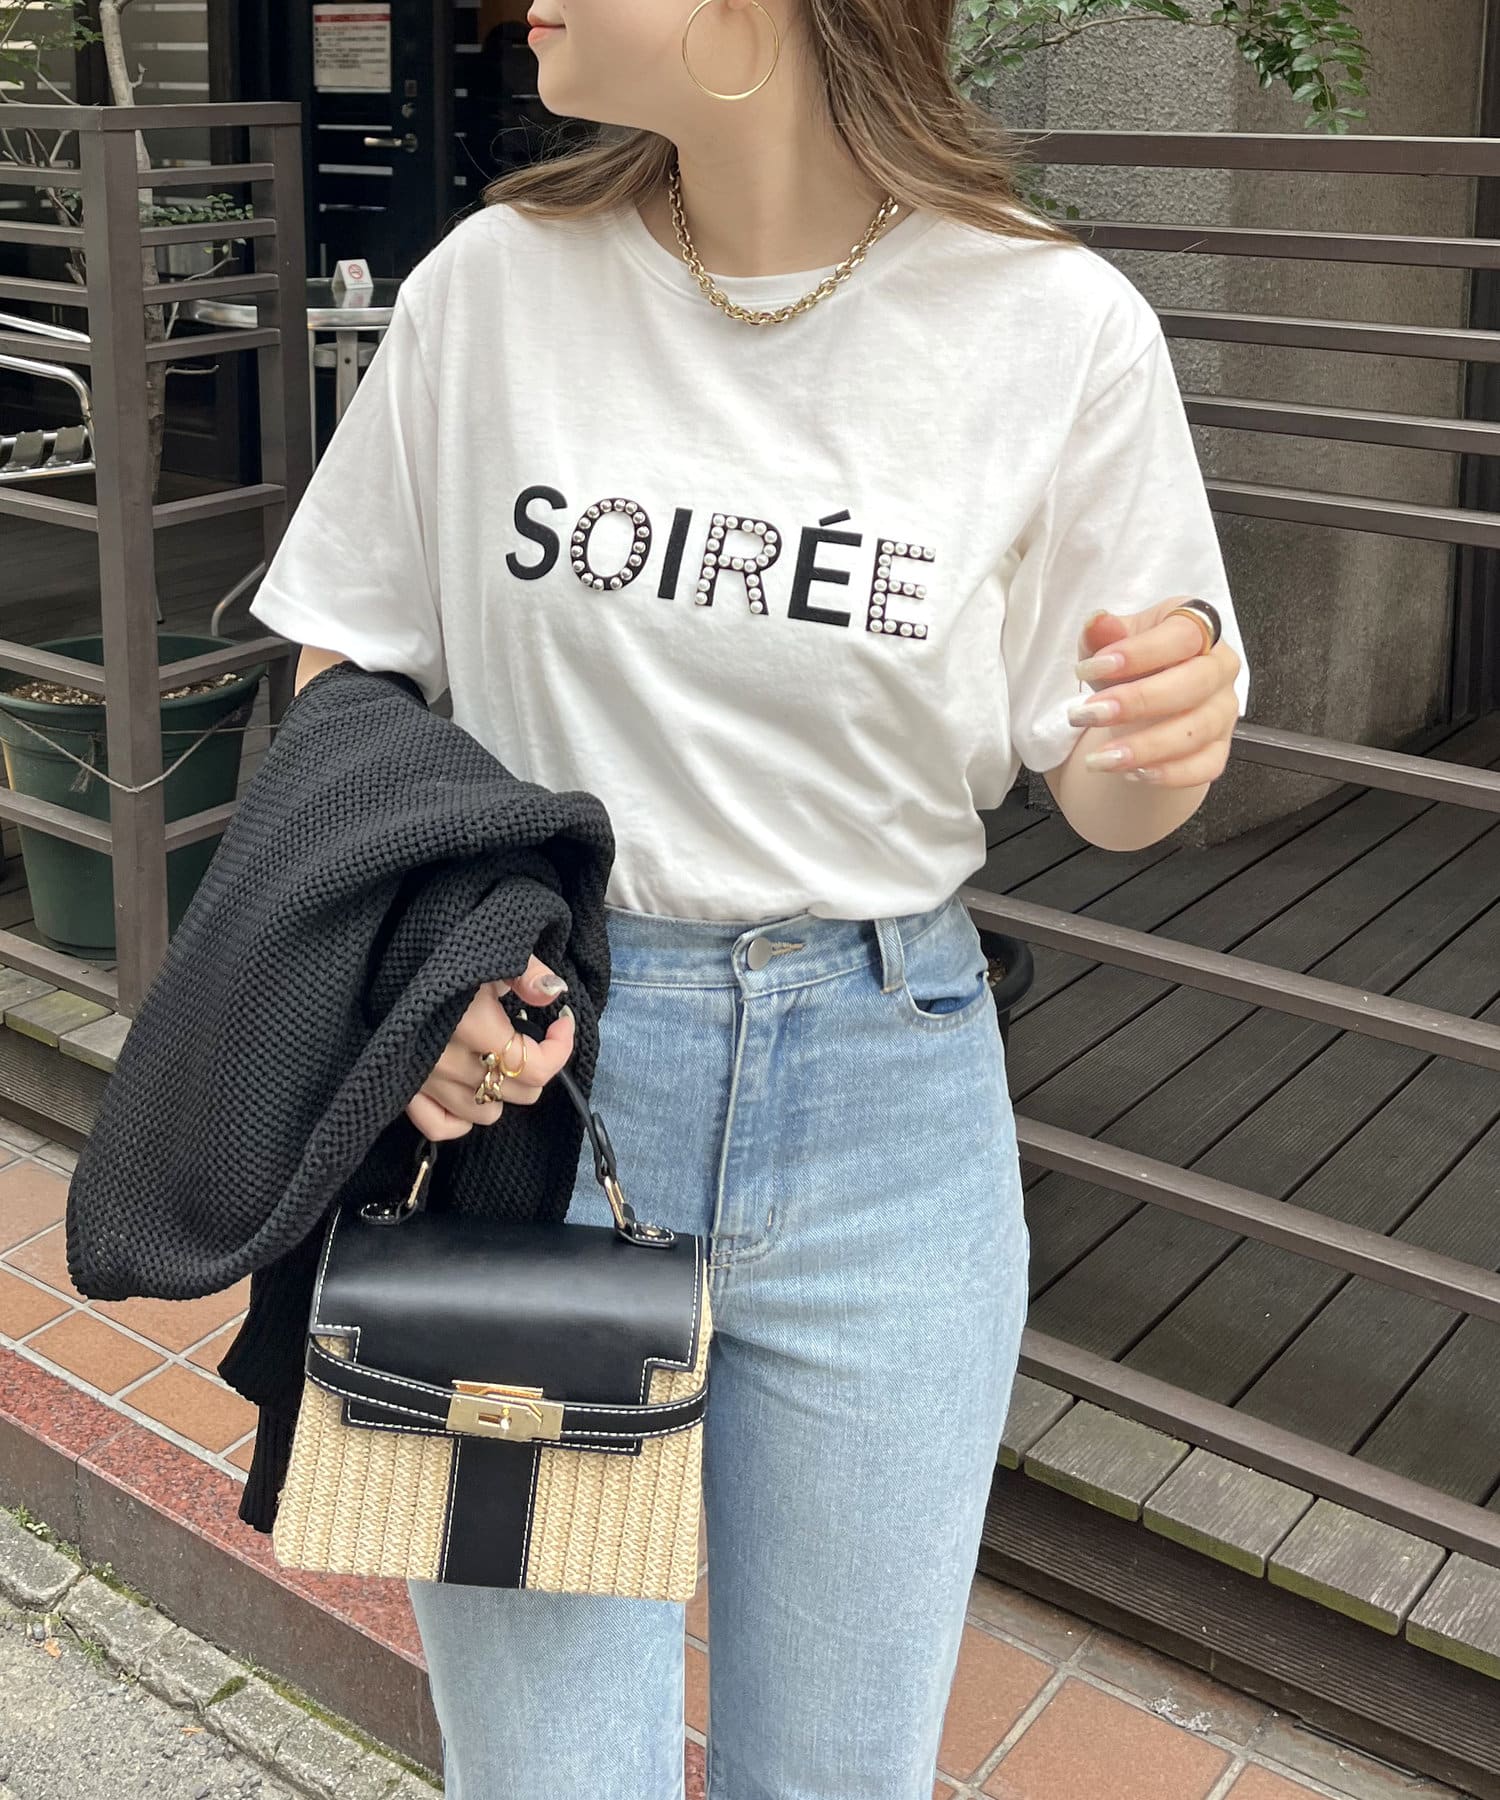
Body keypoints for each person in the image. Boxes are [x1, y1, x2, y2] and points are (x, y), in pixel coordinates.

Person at [246, 0, 1251, 1792]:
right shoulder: (493, 288)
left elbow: (1107, 792)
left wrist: (1169, 732)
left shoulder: (1052, 323)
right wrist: (420, 967)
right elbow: (347, 666)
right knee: (548, 1776)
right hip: (541, 1086)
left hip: (889, 1105)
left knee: (841, 1775)